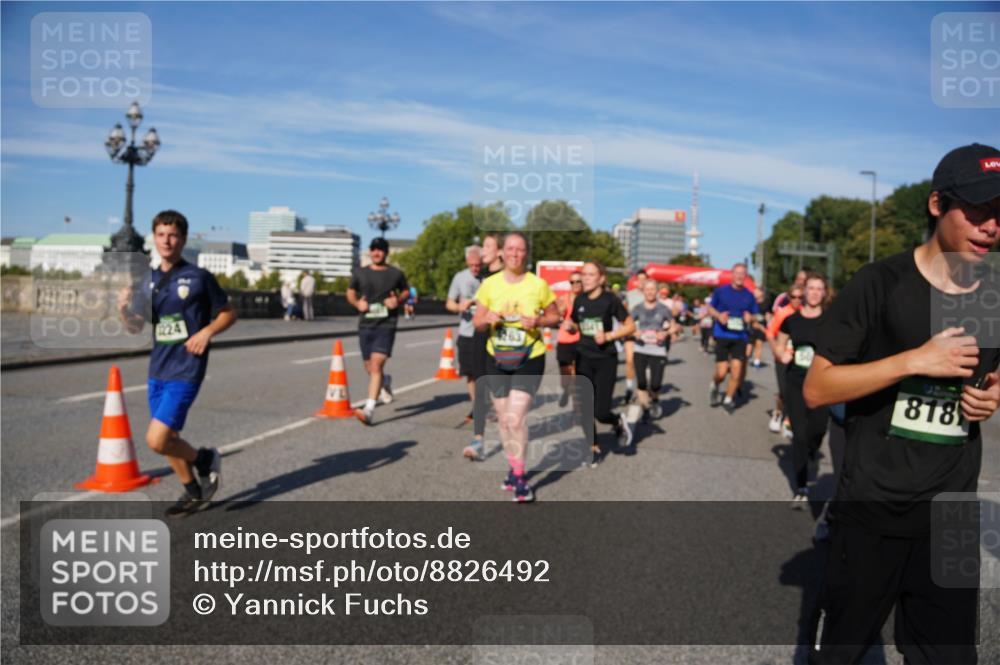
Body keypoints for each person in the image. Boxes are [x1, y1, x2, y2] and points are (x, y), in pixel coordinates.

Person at [804, 143, 1000, 664]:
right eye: (978, 209)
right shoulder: (880, 283)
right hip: (873, 509)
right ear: (937, 205)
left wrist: (993, 393)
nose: (991, 226)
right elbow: (818, 388)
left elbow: (994, 370)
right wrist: (914, 360)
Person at [118, 210, 236, 517]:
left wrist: (207, 332)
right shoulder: (148, 281)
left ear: (182, 239)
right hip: (158, 368)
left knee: (156, 439)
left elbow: (228, 313)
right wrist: (123, 311)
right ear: (154, 238)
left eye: (173, 235)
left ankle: (205, 460)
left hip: (187, 369)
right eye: (161, 235)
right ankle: (192, 490)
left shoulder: (199, 278)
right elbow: (136, 326)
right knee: (168, 438)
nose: (166, 241)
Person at [473, 232, 560, 502]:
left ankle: (521, 477)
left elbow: (555, 315)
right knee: (502, 417)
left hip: (529, 357)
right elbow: (477, 323)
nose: (514, 254)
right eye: (510, 249)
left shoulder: (538, 285)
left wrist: (539, 322)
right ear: (502, 253)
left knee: (515, 416)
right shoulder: (489, 284)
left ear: (526, 254)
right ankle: (514, 468)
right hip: (496, 357)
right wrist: (487, 318)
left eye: (520, 250)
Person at [568, 260, 636, 466]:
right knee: (584, 406)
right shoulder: (579, 300)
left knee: (601, 411)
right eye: (583, 274)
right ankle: (593, 446)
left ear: (601, 278)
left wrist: (608, 335)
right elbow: (575, 324)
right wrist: (570, 326)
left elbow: (630, 326)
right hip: (582, 357)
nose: (585, 278)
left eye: (590, 274)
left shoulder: (611, 300)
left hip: (605, 359)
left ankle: (616, 421)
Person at [776, 273, 829, 507]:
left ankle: (810, 452)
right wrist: (782, 354)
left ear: (824, 293)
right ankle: (801, 486)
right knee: (799, 433)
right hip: (796, 381)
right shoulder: (792, 320)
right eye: (811, 288)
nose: (815, 292)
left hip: (822, 383)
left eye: (819, 288)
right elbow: (779, 344)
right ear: (804, 291)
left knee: (817, 431)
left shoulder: (831, 321)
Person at [347, 237, 409, 425]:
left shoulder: (395, 274)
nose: (376, 252)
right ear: (370, 251)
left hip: (386, 324)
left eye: (380, 249)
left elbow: (407, 291)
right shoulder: (360, 273)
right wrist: (358, 303)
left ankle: (369, 410)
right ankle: (385, 381)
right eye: (374, 249)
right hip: (366, 325)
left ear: (386, 252)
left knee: (376, 365)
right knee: (370, 367)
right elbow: (350, 292)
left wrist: (397, 301)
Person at [445, 244, 486, 459]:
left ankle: (484, 403)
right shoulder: (460, 278)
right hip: (467, 332)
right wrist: (459, 307)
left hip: (487, 333)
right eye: (472, 265)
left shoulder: (489, 277)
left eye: (478, 265)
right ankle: (476, 405)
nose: (475, 269)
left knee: (485, 374)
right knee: (470, 373)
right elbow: (449, 303)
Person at [706, 263, 759, 413]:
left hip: (740, 336)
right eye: (737, 273)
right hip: (722, 334)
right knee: (722, 372)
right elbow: (710, 308)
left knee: (736, 371)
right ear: (732, 274)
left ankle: (728, 399)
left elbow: (755, 315)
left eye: (743, 273)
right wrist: (718, 315)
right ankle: (715, 384)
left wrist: (751, 317)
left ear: (745, 276)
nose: (740, 276)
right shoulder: (721, 292)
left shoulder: (749, 295)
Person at [630, 279, 676, 420]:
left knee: (655, 384)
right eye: (647, 289)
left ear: (657, 291)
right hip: (640, 348)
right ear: (643, 291)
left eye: (653, 289)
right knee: (642, 382)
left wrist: (666, 333)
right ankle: (645, 408)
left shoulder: (663, 309)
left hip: (658, 349)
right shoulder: (637, 308)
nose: (650, 292)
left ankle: (655, 399)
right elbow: (627, 326)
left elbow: (674, 326)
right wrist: (634, 332)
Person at [766, 285, 803, 435]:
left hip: (799, 358)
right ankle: (778, 413)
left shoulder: (806, 313)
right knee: (784, 391)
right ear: (789, 297)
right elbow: (770, 333)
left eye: (801, 297)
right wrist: (777, 350)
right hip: (782, 358)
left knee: (796, 391)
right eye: (793, 297)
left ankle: (788, 420)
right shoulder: (783, 313)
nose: (797, 300)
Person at [556, 270, 584, 408]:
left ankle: (576, 406)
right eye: (573, 282)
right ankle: (565, 390)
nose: (576, 284)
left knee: (576, 374)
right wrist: (560, 313)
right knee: (565, 377)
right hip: (564, 341)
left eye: (579, 281)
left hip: (580, 340)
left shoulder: (586, 299)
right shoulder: (563, 299)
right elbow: (558, 315)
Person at [622, 270, 648, 404]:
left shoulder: (651, 295)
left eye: (645, 279)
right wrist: (627, 329)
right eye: (640, 279)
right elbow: (623, 314)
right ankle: (629, 388)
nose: (642, 282)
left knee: (644, 364)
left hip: (648, 335)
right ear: (636, 281)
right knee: (630, 361)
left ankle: (642, 388)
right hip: (632, 333)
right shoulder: (629, 295)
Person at [747, 287, 767, 368]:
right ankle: (745, 359)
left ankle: (757, 362)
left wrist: (767, 318)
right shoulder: (752, 303)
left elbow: (769, 314)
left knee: (759, 344)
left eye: (756, 292)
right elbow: (748, 314)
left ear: (761, 293)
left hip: (762, 327)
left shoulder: (766, 303)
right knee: (749, 344)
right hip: (752, 326)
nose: (754, 293)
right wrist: (753, 321)